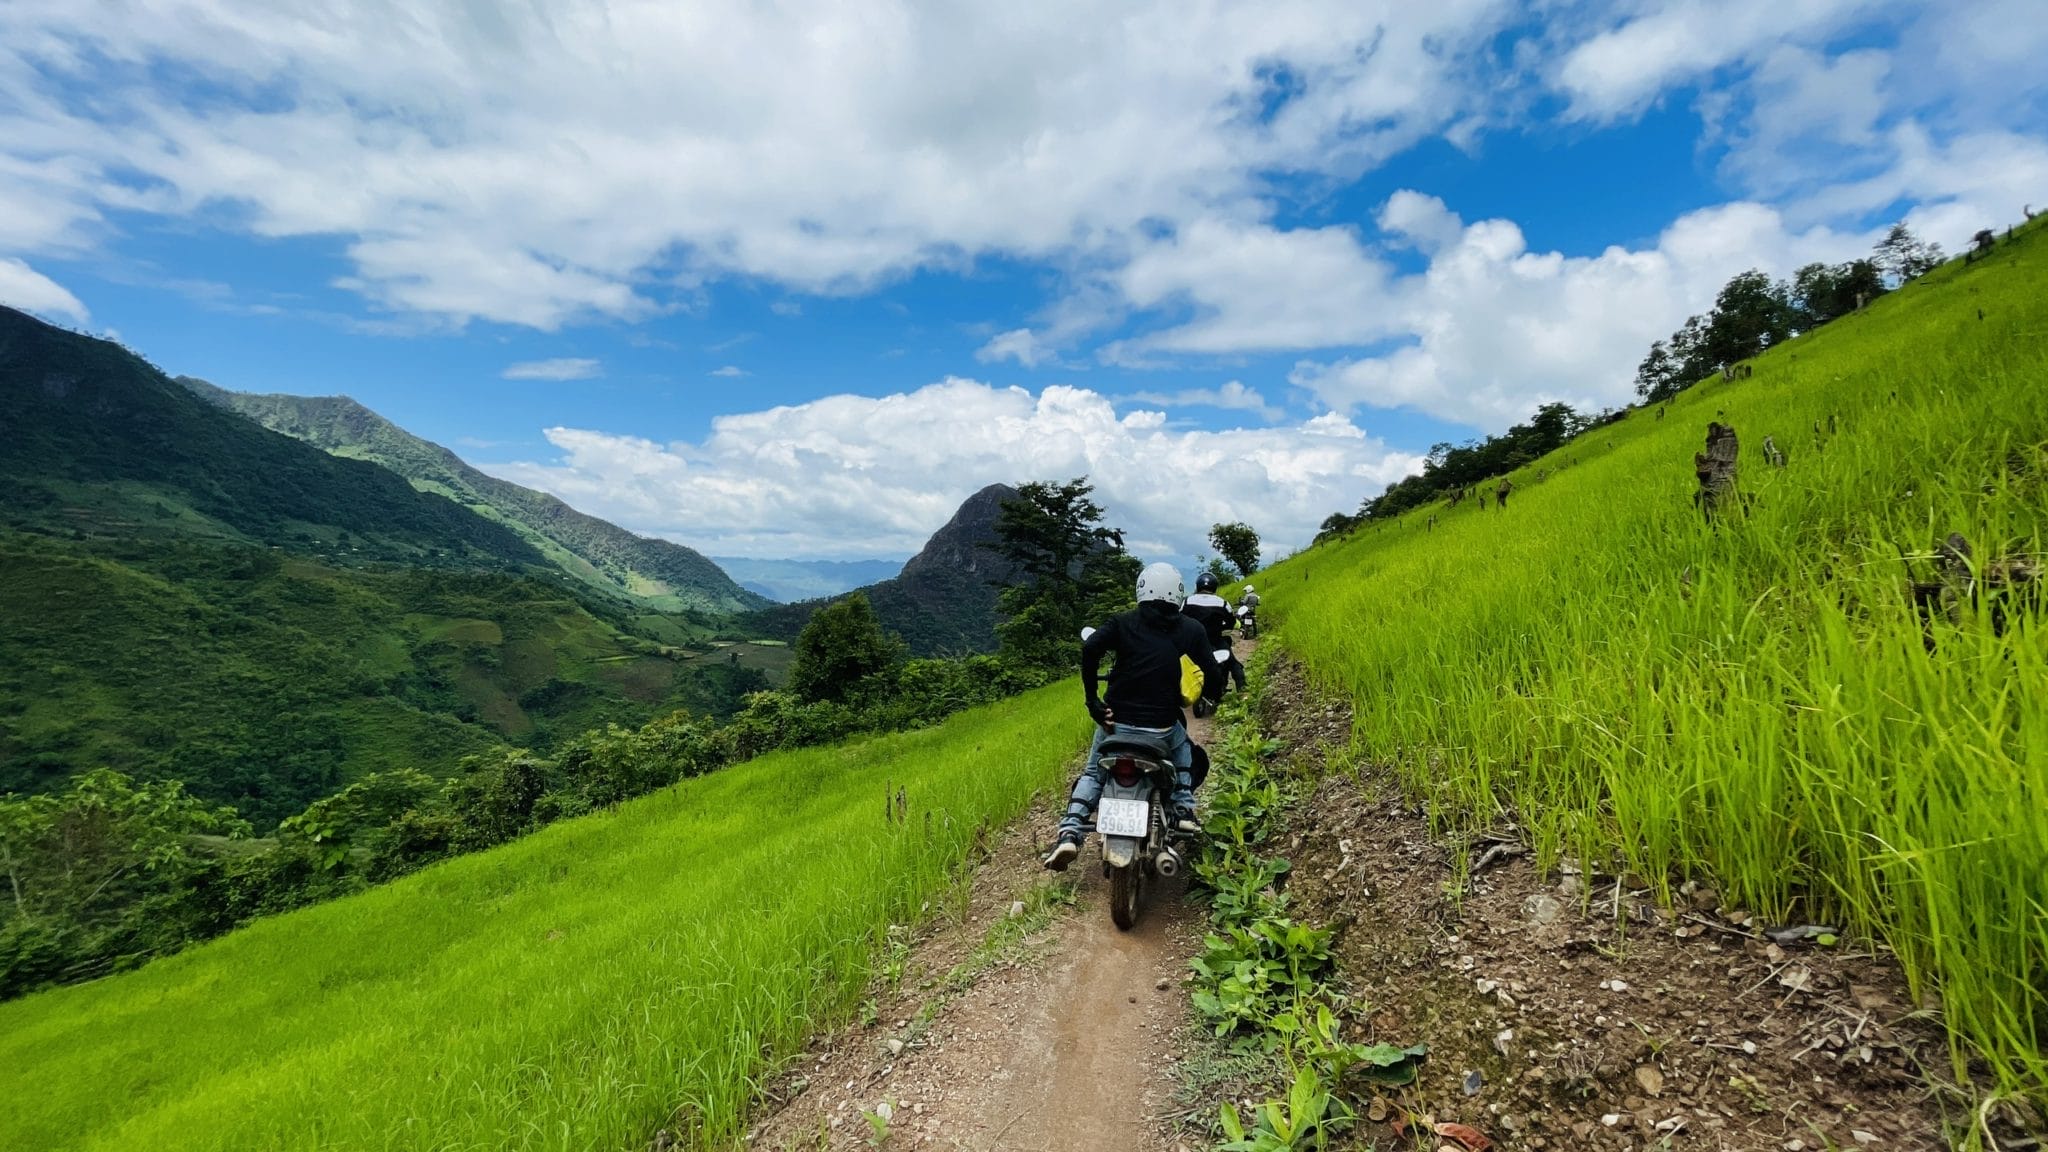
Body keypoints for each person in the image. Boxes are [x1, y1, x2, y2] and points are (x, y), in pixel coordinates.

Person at [1043, 562, 1223, 871]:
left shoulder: (1122, 622)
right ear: (1178, 592)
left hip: (1116, 724)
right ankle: (1183, 810)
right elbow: (1213, 671)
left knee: (1092, 773)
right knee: (1186, 756)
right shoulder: (1190, 629)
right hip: (1163, 727)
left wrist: (1093, 702)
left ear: (1140, 589)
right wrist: (1211, 696)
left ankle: (1070, 831)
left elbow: (1090, 651)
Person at [1182, 571, 1246, 693]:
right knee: (1234, 665)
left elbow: (1179, 619)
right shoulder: (1222, 603)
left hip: (1191, 642)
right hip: (1215, 640)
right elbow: (1231, 623)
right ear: (1215, 586)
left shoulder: (1186, 601)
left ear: (1198, 586)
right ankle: (1243, 693)